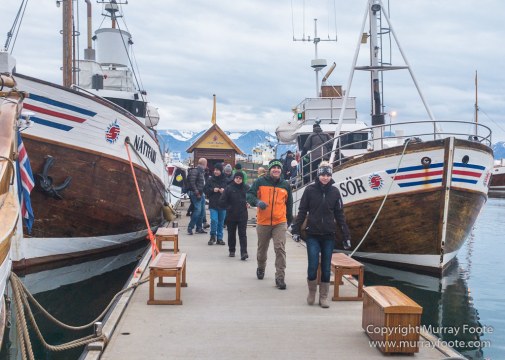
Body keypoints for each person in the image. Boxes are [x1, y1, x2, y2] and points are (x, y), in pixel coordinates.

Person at [291, 161, 351, 308]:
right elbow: (302, 211)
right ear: (318, 175)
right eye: (323, 175)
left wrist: (346, 236)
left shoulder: (335, 192)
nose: (325, 177)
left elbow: (340, 215)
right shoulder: (309, 190)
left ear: (331, 176)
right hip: (313, 234)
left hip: (329, 235)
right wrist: (296, 230)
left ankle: (323, 297)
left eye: (328, 175)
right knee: (312, 265)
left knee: (325, 267)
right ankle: (312, 292)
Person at [247, 159, 293, 290]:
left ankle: (280, 277)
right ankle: (261, 267)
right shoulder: (260, 182)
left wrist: (288, 221)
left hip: (280, 222)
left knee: (280, 249)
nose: (276, 170)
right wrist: (257, 202)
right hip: (263, 222)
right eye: (274, 168)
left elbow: (289, 205)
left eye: (278, 168)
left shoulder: (285, 185)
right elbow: (249, 195)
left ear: (281, 170)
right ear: (269, 169)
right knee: (262, 250)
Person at [219, 171, 249, 259]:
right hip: (231, 215)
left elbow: (251, 198)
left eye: (240, 178)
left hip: (242, 215)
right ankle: (232, 250)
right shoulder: (229, 188)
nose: (238, 180)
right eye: (237, 178)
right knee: (231, 234)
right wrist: (228, 207)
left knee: (242, 234)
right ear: (234, 178)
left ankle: (244, 252)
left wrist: (249, 202)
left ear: (242, 179)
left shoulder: (246, 188)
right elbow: (222, 201)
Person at [204, 163, 228, 245]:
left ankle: (220, 238)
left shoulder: (225, 180)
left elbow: (230, 190)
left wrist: (224, 191)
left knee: (221, 222)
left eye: (217, 170)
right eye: (215, 170)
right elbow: (205, 190)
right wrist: (212, 190)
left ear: (221, 171)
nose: (215, 171)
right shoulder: (210, 180)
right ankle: (212, 236)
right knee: (214, 220)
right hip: (213, 203)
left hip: (223, 204)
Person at [187, 157, 207, 235]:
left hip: (201, 194)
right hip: (196, 194)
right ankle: (190, 227)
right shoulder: (195, 171)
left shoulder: (200, 171)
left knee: (202, 211)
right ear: (204, 164)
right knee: (198, 210)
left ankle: (199, 228)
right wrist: (197, 193)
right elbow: (192, 183)